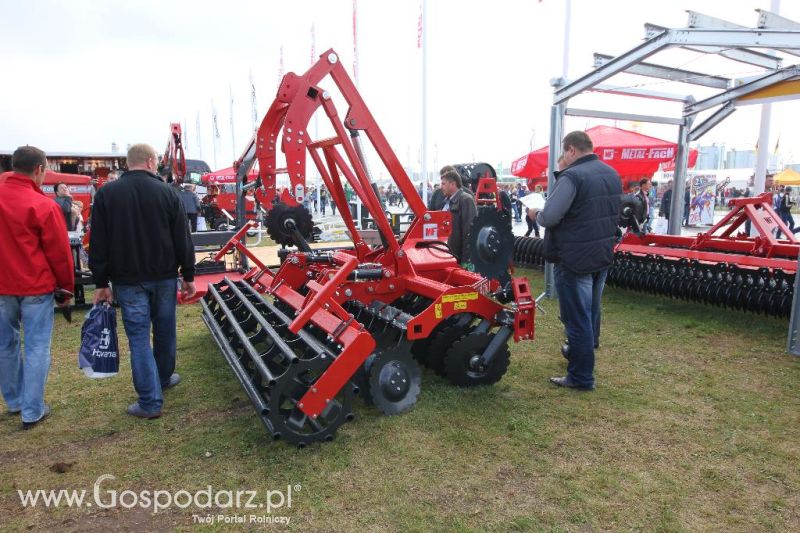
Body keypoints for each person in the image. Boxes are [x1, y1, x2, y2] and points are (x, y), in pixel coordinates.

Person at [89, 143, 196, 419]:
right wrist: (188, 275)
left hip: (127, 280)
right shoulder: (168, 193)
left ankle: (150, 400)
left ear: (129, 162)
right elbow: (183, 238)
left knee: (138, 338)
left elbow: (98, 242)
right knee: (164, 330)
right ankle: (161, 379)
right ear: (150, 161)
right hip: (163, 277)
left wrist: (101, 282)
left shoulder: (106, 194)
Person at [534, 131, 621, 391]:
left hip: (574, 259)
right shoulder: (611, 174)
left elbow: (549, 217)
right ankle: (583, 356)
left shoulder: (572, 176)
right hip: (601, 255)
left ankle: (581, 376)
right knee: (591, 312)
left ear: (571, 149)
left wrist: (535, 212)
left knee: (576, 319)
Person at [0, 146, 74, 429]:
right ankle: (32, 409)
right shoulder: (42, 205)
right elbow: (59, 253)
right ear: (39, 169)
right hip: (34, 285)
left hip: (4, 286)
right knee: (36, 347)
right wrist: (65, 289)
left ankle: (16, 401)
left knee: (5, 345)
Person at [440, 170, 478, 264]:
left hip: (458, 257)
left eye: (444, 184)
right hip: (448, 255)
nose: (441, 187)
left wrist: (466, 261)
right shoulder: (446, 202)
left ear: (453, 184)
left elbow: (470, 232)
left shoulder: (466, 200)